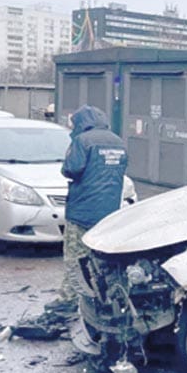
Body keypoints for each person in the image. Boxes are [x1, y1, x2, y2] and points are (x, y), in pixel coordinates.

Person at [47, 105, 128, 314]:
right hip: (108, 212)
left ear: (81, 123)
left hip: (82, 211)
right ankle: (102, 297)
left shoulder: (82, 141)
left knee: (75, 258)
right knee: (101, 259)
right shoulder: (118, 141)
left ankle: (69, 299)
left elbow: (70, 169)